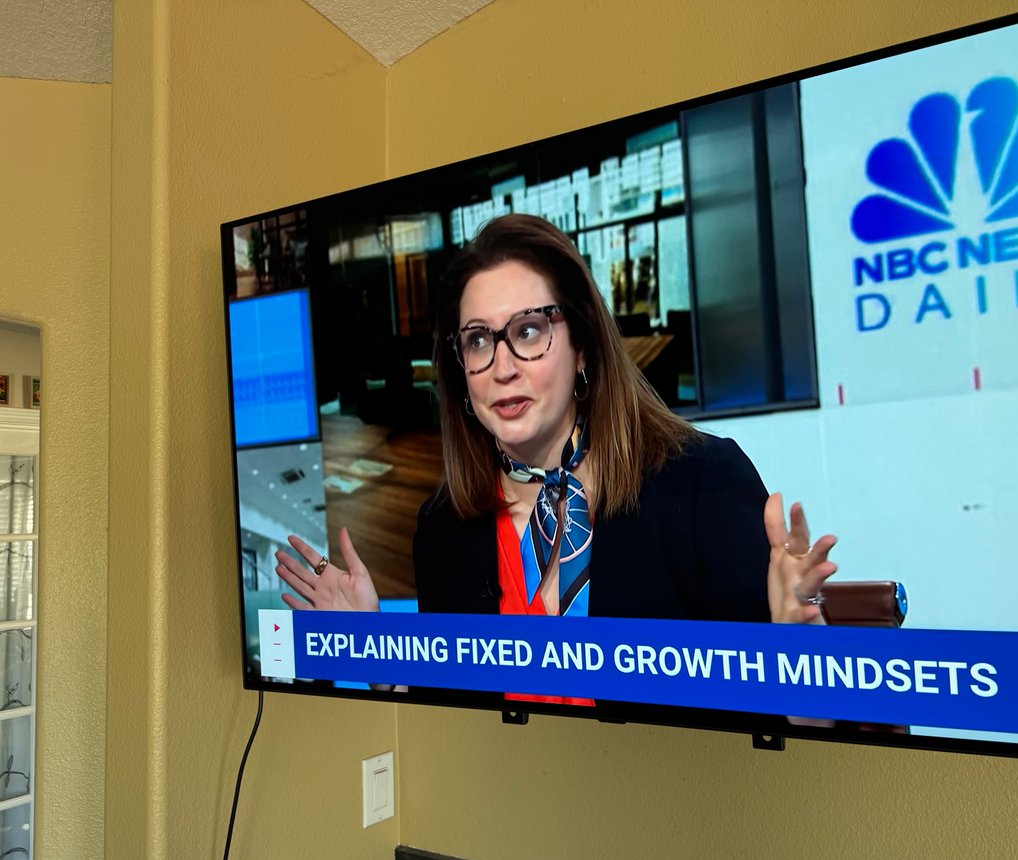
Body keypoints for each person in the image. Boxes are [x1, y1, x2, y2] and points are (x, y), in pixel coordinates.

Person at [274, 214, 836, 695]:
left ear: (583, 348)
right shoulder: (444, 530)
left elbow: (782, 742)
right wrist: (380, 662)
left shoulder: (702, 484)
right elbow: (457, 739)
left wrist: (800, 663)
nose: (502, 365)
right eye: (477, 340)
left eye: (529, 329)